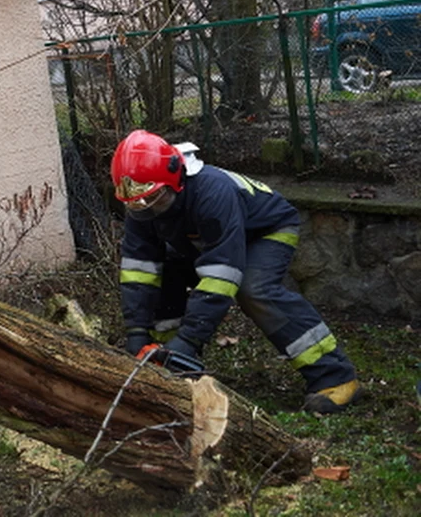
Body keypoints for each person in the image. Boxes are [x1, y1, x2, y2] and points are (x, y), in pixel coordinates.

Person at [111, 129, 362, 414]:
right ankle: (171, 367)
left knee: (254, 289)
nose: (146, 208)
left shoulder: (212, 191)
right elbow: (138, 271)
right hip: (204, 240)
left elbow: (221, 275)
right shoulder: (142, 203)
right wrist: (136, 332)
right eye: (137, 203)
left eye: (154, 198)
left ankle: (335, 376)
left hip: (265, 230)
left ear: (174, 180)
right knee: (163, 270)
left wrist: (190, 339)